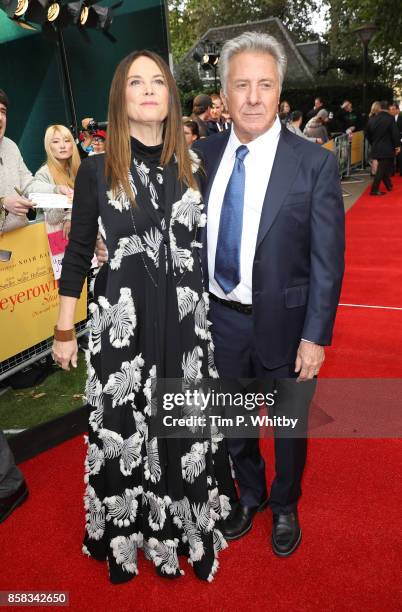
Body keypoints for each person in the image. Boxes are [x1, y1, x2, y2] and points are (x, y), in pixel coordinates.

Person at [52, 50, 235, 584]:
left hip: (184, 328)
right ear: (121, 97)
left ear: (172, 97)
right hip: (122, 329)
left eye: (159, 81)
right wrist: (65, 330)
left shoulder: (197, 164)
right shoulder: (95, 169)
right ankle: (127, 536)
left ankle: (186, 530)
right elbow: (80, 254)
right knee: (128, 430)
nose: (150, 90)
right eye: (137, 82)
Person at [194, 32, 345, 556]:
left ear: (279, 91)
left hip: (288, 324)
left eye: (265, 85)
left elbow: (328, 261)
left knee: (288, 429)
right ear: (224, 94)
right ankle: (250, 495)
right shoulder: (200, 155)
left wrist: (316, 336)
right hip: (219, 320)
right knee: (234, 423)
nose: (253, 97)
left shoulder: (314, 162)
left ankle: (285, 505)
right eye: (241, 85)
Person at [0, 89, 29, 522]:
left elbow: (25, 187)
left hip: (12, 260)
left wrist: (45, 189)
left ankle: (7, 484)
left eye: (2, 111)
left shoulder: (9, 147)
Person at [26, 124, 81, 238]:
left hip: (80, 234)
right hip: (53, 238)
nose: (62, 146)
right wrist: (66, 206)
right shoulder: (43, 174)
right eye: (56, 142)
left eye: (67, 140)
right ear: (48, 147)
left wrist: (70, 217)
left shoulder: (78, 169)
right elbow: (52, 218)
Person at [0, 89, 34, 233]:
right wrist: (3, 203)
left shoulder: (11, 146)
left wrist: (56, 190)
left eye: (3, 111)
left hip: (21, 237)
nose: (0, 117)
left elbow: (27, 184)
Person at [365, 100, 400, 195]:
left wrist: (373, 142)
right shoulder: (390, 118)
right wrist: (397, 146)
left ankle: (389, 185)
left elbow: (367, 134)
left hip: (376, 147)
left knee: (382, 168)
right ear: (388, 109)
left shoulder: (372, 118)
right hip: (387, 148)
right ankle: (374, 189)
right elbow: (395, 133)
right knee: (381, 169)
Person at [388, 102, 402, 176]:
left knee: (400, 156)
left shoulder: (401, 118)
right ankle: (391, 172)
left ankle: (400, 170)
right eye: (390, 109)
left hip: (400, 140)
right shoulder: (388, 119)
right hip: (390, 141)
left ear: (397, 110)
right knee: (391, 157)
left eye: (393, 109)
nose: (392, 111)